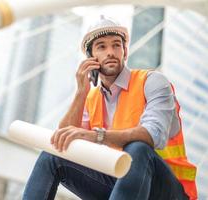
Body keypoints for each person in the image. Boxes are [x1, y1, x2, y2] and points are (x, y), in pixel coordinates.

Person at [23, 16, 197, 200]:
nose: (111, 52)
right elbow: (64, 141)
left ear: (125, 52)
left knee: (137, 148)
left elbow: (153, 135)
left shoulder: (152, 82)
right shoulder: (90, 98)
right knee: (52, 156)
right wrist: (81, 93)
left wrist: (96, 136)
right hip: (123, 185)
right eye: (101, 47)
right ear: (91, 58)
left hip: (168, 191)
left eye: (116, 45)